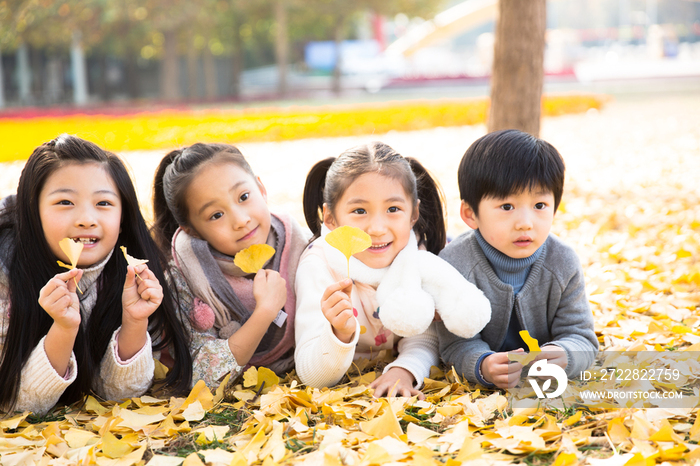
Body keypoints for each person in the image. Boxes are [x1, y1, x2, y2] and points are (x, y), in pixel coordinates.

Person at [0, 134, 192, 415]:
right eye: (65, 202)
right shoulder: (6, 275)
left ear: (122, 216)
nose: (87, 218)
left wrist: (135, 322)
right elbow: (16, 403)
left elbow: (120, 394)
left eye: (103, 203)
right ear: (32, 212)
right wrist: (63, 329)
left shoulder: (134, 273)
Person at [296, 142, 491, 398]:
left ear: (413, 214)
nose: (377, 228)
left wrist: (405, 369)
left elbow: (425, 337)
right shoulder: (319, 267)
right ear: (330, 218)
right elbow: (312, 377)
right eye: (359, 211)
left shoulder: (416, 258)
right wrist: (339, 334)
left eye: (393, 209)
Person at [438, 129, 598, 389]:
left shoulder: (562, 262)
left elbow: (581, 336)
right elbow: (454, 343)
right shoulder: (455, 265)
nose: (525, 223)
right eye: (507, 207)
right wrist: (482, 365)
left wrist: (566, 354)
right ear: (470, 214)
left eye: (539, 206)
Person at [153, 143, 309, 387]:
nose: (240, 220)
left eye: (244, 197)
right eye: (216, 215)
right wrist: (265, 312)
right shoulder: (183, 276)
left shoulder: (301, 246)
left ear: (261, 188)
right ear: (191, 229)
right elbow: (203, 375)